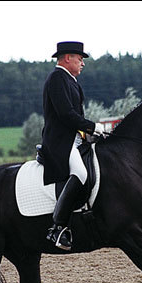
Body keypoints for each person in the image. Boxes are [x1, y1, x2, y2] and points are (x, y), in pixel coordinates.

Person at [41, 41, 105, 251]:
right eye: (80, 59)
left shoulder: (71, 81)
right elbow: (66, 115)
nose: (82, 64)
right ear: (67, 58)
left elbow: (76, 117)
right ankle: (58, 227)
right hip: (60, 141)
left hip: (76, 139)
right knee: (81, 173)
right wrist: (93, 126)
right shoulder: (57, 78)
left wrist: (91, 134)